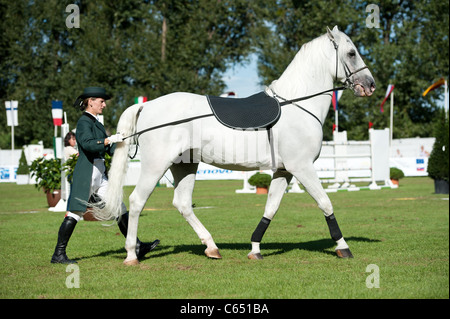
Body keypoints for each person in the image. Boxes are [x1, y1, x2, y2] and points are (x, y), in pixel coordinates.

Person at [51, 87, 159, 264]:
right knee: (75, 213)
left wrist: (125, 140)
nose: (104, 105)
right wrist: (109, 139)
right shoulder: (84, 122)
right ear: (90, 101)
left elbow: (107, 149)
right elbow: (88, 145)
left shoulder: (97, 123)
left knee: (119, 207)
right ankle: (58, 254)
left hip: (100, 174)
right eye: (101, 101)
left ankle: (136, 246)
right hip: (87, 173)